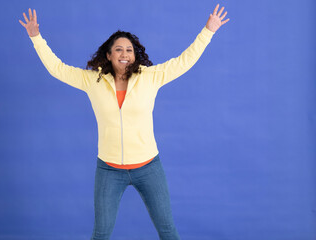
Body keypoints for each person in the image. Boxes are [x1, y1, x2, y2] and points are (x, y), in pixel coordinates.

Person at [19, 4, 229, 240]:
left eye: (129, 50)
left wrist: (208, 31)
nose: (125, 54)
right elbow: (57, 69)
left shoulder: (150, 78)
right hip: (109, 170)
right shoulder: (93, 81)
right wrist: (36, 37)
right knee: (101, 233)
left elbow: (184, 61)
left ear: (135, 55)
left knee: (168, 230)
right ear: (109, 55)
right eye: (118, 49)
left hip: (149, 167)